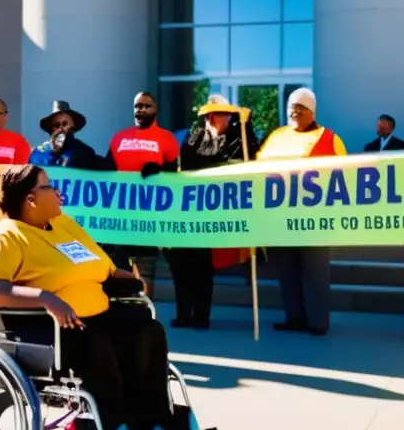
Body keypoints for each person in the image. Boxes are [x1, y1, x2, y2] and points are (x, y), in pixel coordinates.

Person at [0, 164, 191, 430]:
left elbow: (103, 267)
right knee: (96, 343)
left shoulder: (64, 225)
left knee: (148, 330)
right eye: (49, 187)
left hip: (97, 313)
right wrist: (45, 297)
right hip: (51, 327)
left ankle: (158, 423)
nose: (58, 193)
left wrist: (132, 279)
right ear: (31, 199)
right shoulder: (6, 237)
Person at [257, 88, 346, 336]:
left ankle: (317, 321)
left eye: (301, 108)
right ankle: (294, 317)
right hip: (281, 218)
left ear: (312, 111)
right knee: (287, 271)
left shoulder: (329, 138)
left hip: (315, 220)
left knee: (315, 271)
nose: (295, 112)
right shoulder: (276, 136)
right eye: (292, 107)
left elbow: (346, 176)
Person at [168, 94, 260, 330]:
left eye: (231, 115)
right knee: (182, 269)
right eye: (224, 115)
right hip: (186, 215)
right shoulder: (196, 136)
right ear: (211, 116)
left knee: (202, 270)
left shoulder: (232, 137)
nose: (228, 119)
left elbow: (251, 153)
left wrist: (246, 125)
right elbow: (198, 160)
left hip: (209, 217)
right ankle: (183, 314)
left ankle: (201, 316)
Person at [104, 92, 180, 297]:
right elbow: (106, 172)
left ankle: (147, 314)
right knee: (118, 267)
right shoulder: (119, 137)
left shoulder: (167, 138)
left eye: (147, 106)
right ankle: (124, 311)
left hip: (148, 214)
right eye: (138, 106)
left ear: (156, 110)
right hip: (120, 214)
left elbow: (175, 178)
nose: (141, 110)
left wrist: (159, 172)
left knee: (145, 268)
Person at [29, 100, 103, 170]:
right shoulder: (37, 152)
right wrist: (54, 153)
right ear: (51, 129)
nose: (61, 128)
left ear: (73, 126)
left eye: (65, 124)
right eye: (56, 125)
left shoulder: (85, 152)